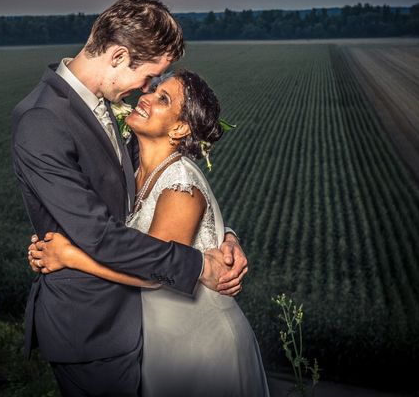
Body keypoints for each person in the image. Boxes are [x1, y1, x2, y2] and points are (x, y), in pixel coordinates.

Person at [11, 0, 248, 397]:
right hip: (92, 328)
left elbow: (163, 185)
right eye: (149, 77)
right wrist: (197, 265)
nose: (144, 90)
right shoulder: (42, 121)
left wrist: (223, 236)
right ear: (119, 56)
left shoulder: (102, 105)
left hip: (139, 322)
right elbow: (101, 236)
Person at [31, 69, 271, 397]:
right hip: (160, 339)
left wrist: (69, 257)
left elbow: (152, 271)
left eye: (163, 99)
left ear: (180, 128)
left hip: (200, 344)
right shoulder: (130, 171)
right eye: (153, 89)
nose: (145, 97)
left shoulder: (180, 186)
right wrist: (228, 234)